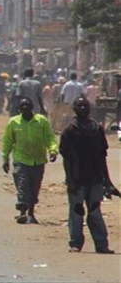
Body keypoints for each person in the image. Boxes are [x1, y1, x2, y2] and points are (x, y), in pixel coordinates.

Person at [59, 97, 120, 254]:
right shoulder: (69, 131)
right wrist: (70, 181)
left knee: (95, 212)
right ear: (74, 108)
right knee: (76, 212)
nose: (83, 108)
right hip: (77, 179)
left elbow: (102, 157)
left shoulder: (96, 129)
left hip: (95, 179)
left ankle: (101, 244)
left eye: (85, 105)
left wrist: (107, 181)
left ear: (90, 108)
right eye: (79, 105)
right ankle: (75, 243)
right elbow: (66, 159)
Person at [2, 96, 58, 224]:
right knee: (22, 185)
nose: (25, 108)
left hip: (38, 160)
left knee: (34, 187)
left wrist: (53, 150)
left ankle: (31, 213)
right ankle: (22, 212)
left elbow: (50, 137)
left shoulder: (41, 121)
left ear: (32, 107)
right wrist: (5, 159)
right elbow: (7, 141)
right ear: (19, 109)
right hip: (21, 159)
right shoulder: (13, 122)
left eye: (28, 105)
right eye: (23, 106)